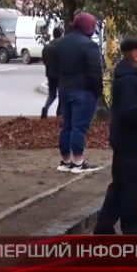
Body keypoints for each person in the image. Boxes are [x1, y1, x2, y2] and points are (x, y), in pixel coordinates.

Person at [93, 37, 137, 235]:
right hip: (130, 142)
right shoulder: (128, 80)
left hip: (130, 142)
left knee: (121, 186)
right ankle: (133, 230)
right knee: (132, 188)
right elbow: (128, 112)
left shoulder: (134, 75)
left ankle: (104, 228)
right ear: (135, 54)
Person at [55, 12, 103, 173]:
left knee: (67, 126)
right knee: (79, 128)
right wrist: (97, 91)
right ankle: (78, 163)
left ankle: (65, 161)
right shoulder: (89, 45)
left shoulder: (61, 43)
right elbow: (95, 71)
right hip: (84, 91)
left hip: (64, 89)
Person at [41, 26, 64, 119]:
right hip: (60, 74)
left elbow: (44, 60)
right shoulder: (62, 46)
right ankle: (59, 113)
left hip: (50, 74)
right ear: (61, 34)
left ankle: (45, 108)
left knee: (52, 95)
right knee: (62, 95)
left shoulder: (47, 46)